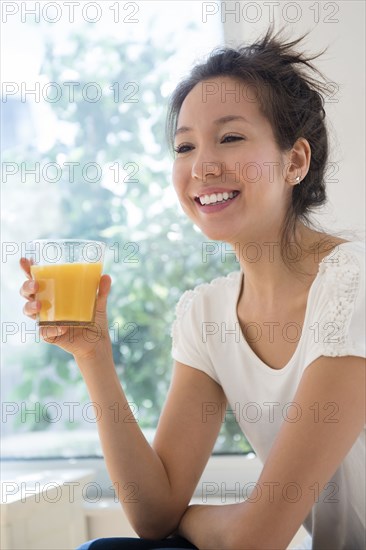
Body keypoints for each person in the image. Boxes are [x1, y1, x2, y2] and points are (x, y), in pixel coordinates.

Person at [20, 24, 365, 550]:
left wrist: (193, 520)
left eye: (230, 137)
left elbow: (255, 538)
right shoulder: (210, 315)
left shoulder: (353, 287)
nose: (202, 166)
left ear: (294, 161)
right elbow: (155, 511)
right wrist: (94, 356)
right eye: (184, 146)